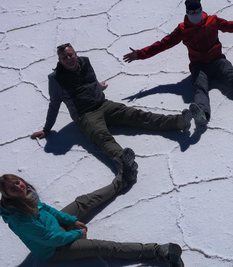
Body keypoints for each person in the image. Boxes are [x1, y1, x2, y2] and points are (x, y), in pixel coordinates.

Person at [31, 44, 192, 187]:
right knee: (102, 137)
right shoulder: (56, 78)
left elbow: (89, 82)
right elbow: (54, 103)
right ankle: (125, 164)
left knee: (136, 115)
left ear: (76, 54)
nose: (68, 59)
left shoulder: (85, 62)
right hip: (85, 115)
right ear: (59, 60)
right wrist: (47, 129)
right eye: (64, 57)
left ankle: (178, 122)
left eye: (70, 55)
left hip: (104, 104)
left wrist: (98, 88)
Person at [123, 0, 233, 127]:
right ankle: (202, 114)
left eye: (197, 11)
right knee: (200, 88)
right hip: (199, 66)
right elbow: (163, 44)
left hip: (218, 61)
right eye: (192, 13)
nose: (196, 15)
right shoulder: (182, 29)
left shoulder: (212, 21)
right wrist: (140, 54)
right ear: (187, 13)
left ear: (201, 10)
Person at [0, 173, 183, 265]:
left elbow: (46, 209)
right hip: (54, 249)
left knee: (82, 202)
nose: (17, 186)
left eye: (17, 181)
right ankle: (157, 251)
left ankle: (122, 180)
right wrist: (78, 233)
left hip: (58, 229)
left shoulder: (28, 195)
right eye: (11, 187)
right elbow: (52, 239)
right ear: (7, 195)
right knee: (101, 246)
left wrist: (70, 220)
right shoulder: (19, 219)